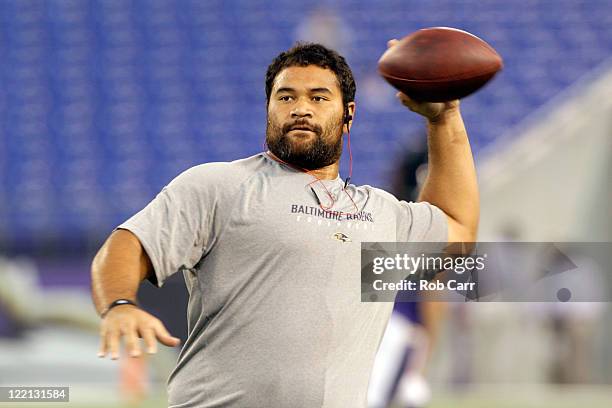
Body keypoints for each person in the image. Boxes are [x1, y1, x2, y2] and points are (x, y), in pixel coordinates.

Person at [91, 41, 479, 407]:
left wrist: (445, 118)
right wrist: (119, 304)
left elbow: (458, 231)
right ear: (269, 108)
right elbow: (128, 244)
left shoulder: (380, 214)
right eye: (286, 97)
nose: (300, 108)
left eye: (318, 97)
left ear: (349, 115)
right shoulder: (219, 186)